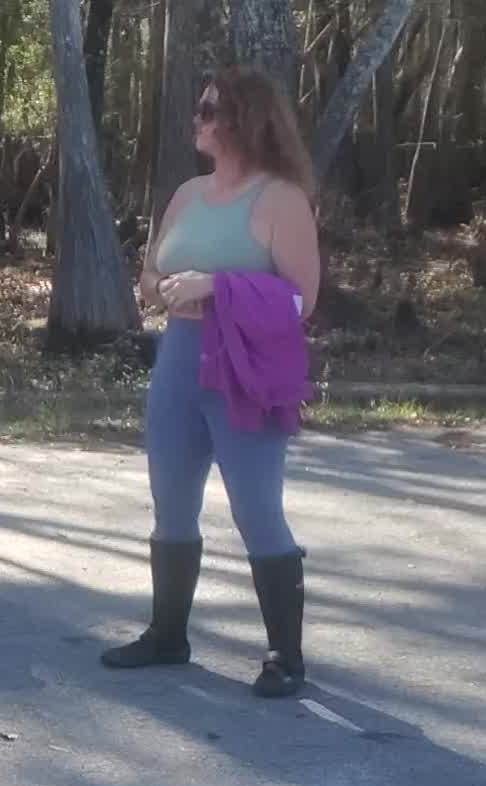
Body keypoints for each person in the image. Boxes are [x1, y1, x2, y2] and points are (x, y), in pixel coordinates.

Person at [104, 66, 321, 698]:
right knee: (171, 500)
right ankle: (167, 636)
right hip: (178, 363)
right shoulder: (187, 194)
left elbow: (300, 301)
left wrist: (218, 287)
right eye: (199, 107)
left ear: (244, 120)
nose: (197, 118)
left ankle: (286, 656)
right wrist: (162, 288)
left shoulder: (280, 198)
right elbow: (150, 272)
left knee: (257, 511)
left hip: (243, 371)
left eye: (209, 109)